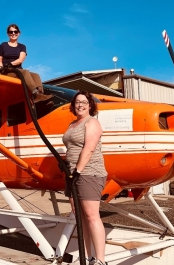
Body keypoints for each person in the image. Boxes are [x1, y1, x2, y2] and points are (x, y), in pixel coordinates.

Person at [63, 91, 107, 265]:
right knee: (81, 218)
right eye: (77, 102)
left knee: (91, 215)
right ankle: (88, 258)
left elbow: (88, 149)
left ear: (90, 105)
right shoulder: (73, 124)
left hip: (88, 173)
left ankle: (101, 261)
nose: (80, 105)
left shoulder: (92, 122)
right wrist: (69, 169)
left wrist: (77, 172)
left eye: (84, 102)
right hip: (72, 174)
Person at [0, 24, 52, 103]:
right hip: (8, 71)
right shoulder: (3, 45)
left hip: (18, 70)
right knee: (25, 72)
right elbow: (0, 61)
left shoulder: (22, 46)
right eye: (11, 32)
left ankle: (40, 95)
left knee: (36, 75)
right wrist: (1, 69)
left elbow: (20, 60)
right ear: (8, 34)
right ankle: (35, 93)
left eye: (15, 31)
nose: (13, 33)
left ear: (19, 33)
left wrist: (9, 64)